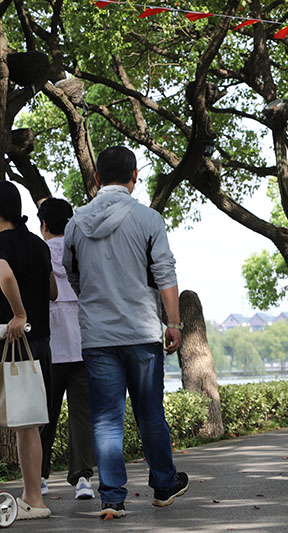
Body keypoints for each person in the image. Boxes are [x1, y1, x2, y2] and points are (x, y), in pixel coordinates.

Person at [63, 146, 187, 519]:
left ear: (97, 177)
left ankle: (113, 498)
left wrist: (96, 301)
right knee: (149, 412)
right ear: (135, 176)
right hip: (141, 332)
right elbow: (164, 273)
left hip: (98, 336)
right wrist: (174, 323)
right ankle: (163, 484)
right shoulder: (148, 219)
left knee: (105, 418)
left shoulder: (75, 224)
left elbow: (72, 274)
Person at [0, 181, 57, 519]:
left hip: (11, 344)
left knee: (25, 423)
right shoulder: (38, 244)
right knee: (29, 424)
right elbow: (52, 290)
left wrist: (18, 313)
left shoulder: (1, 243)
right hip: (39, 344)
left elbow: (4, 274)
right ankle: (33, 498)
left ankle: (34, 500)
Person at [37, 198, 95, 500]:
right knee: (81, 416)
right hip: (83, 345)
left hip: (49, 346)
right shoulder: (82, 252)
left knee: (44, 414)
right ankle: (83, 478)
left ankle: (39, 476)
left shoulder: (38, 252)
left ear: (44, 224)